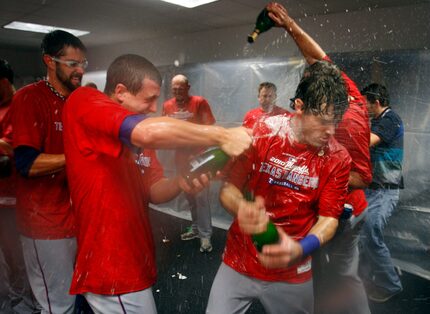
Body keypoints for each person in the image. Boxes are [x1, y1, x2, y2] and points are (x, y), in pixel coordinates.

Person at [62, 54, 252, 314]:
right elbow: (148, 131)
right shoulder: (85, 100)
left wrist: (181, 180)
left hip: (134, 256)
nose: (154, 108)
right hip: (111, 266)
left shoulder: (136, 141)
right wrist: (223, 134)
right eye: (149, 99)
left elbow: (153, 191)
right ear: (120, 92)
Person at [206, 37, 352, 314]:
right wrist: (242, 207)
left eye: (335, 122)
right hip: (240, 260)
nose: (331, 131)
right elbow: (228, 189)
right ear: (299, 106)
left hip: (292, 270)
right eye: (322, 121)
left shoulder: (338, 157)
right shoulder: (262, 132)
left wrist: (302, 248)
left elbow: (329, 219)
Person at [266, 3, 373, 313]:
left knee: (340, 274)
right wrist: (289, 25)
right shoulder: (339, 83)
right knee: (320, 269)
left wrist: (313, 172)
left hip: (348, 209)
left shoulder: (347, 120)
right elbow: (316, 56)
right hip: (332, 205)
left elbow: (364, 178)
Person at [10, 30, 87, 314]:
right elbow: (27, 163)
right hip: (45, 224)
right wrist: (77, 157)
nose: (79, 70)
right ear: (49, 61)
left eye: (82, 64)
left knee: (81, 297)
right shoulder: (30, 99)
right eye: (72, 63)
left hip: (77, 219)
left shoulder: (79, 101)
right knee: (59, 306)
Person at [359, 83, 404, 302]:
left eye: (365, 103)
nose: (364, 107)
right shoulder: (377, 120)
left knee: (371, 234)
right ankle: (367, 279)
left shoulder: (390, 119)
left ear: (376, 102)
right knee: (364, 234)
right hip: (373, 189)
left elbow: (366, 142)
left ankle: (391, 284)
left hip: (386, 191)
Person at [162, 74, 216, 252]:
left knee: (201, 197)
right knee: (189, 195)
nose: (177, 92)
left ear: (188, 87)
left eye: (181, 88)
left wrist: (199, 150)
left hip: (199, 158)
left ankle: (206, 236)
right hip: (181, 160)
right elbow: (165, 128)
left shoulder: (199, 102)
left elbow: (210, 129)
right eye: (174, 89)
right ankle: (195, 229)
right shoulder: (168, 105)